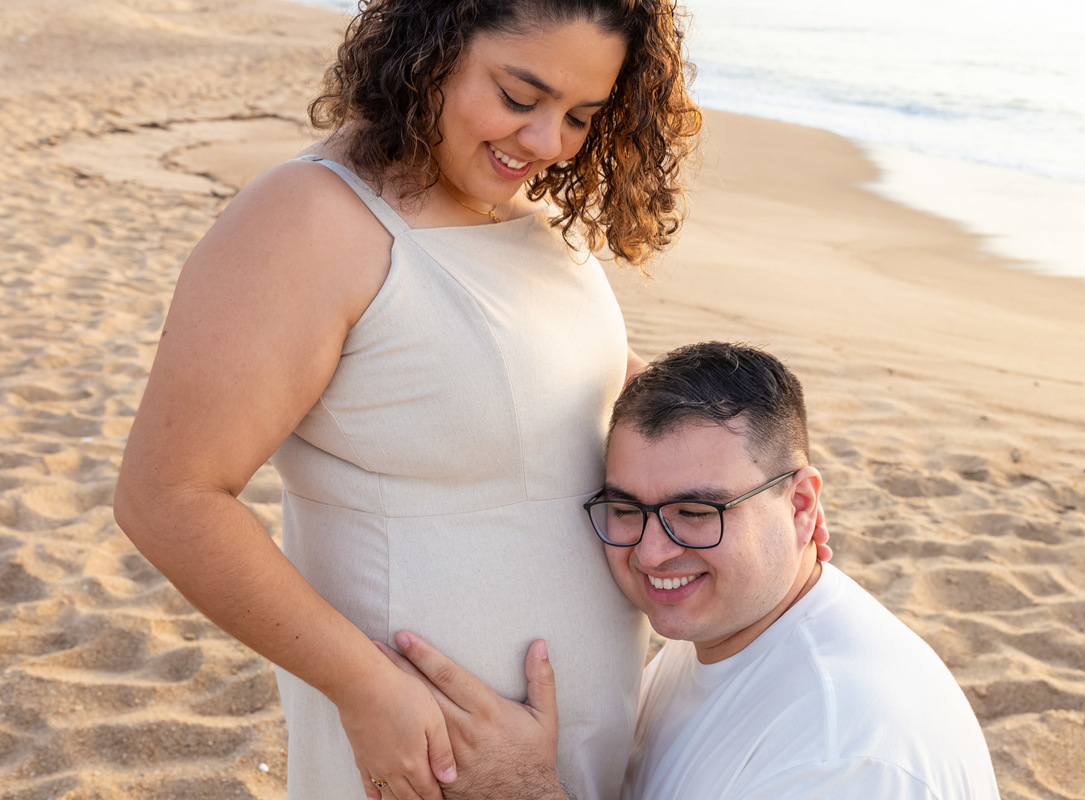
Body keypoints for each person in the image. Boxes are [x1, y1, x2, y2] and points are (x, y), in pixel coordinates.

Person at [113, 2, 707, 799]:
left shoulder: (525, 210)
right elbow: (166, 497)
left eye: (580, 116)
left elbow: (565, 388)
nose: (545, 142)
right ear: (432, 48)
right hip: (424, 747)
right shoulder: (309, 221)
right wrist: (369, 690)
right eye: (518, 97)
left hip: (573, 745)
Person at [381, 342, 1000, 800]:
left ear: (802, 505)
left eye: (697, 512)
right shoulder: (733, 622)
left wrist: (523, 791)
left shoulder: (845, 752)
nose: (652, 553)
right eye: (626, 509)